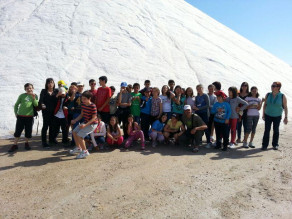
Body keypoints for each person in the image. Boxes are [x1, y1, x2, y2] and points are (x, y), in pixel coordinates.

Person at [9, 83, 39, 152]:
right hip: (21, 116)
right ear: (25, 89)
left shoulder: (35, 96)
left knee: (28, 131)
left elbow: (36, 104)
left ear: (33, 88)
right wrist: (16, 113)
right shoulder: (22, 96)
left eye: (30, 88)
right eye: (27, 88)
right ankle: (15, 144)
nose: (29, 89)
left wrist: (34, 98)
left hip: (29, 116)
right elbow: (16, 105)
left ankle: (26, 143)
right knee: (18, 131)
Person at [69, 91, 98, 159]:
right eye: (82, 98)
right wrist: (75, 120)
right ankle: (78, 148)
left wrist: (85, 125)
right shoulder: (83, 105)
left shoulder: (93, 106)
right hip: (85, 123)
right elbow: (82, 115)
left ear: (89, 98)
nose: (83, 100)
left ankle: (85, 152)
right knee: (74, 131)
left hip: (92, 124)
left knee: (80, 135)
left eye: (84, 99)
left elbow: (94, 118)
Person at [262, 82, 288, 150]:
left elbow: (285, 107)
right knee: (267, 130)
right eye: (272, 86)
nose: (272, 87)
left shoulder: (282, 96)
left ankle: (275, 144)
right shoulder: (268, 94)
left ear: (278, 87)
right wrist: (263, 114)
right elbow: (265, 105)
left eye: (274, 86)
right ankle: (264, 145)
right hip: (268, 115)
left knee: (276, 130)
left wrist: (286, 117)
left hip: (277, 116)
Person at [39, 78, 58, 148]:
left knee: (52, 126)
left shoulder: (56, 91)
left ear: (54, 84)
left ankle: (51, 140)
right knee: (45, 126)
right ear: (46, 84)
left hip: (54, 112)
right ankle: (44, 142)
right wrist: (42, 104)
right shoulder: (43, 91)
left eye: (52, 82)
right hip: (46, 112)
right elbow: (41, 100)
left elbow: (58, 100)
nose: (50, 84)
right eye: (49, 83)